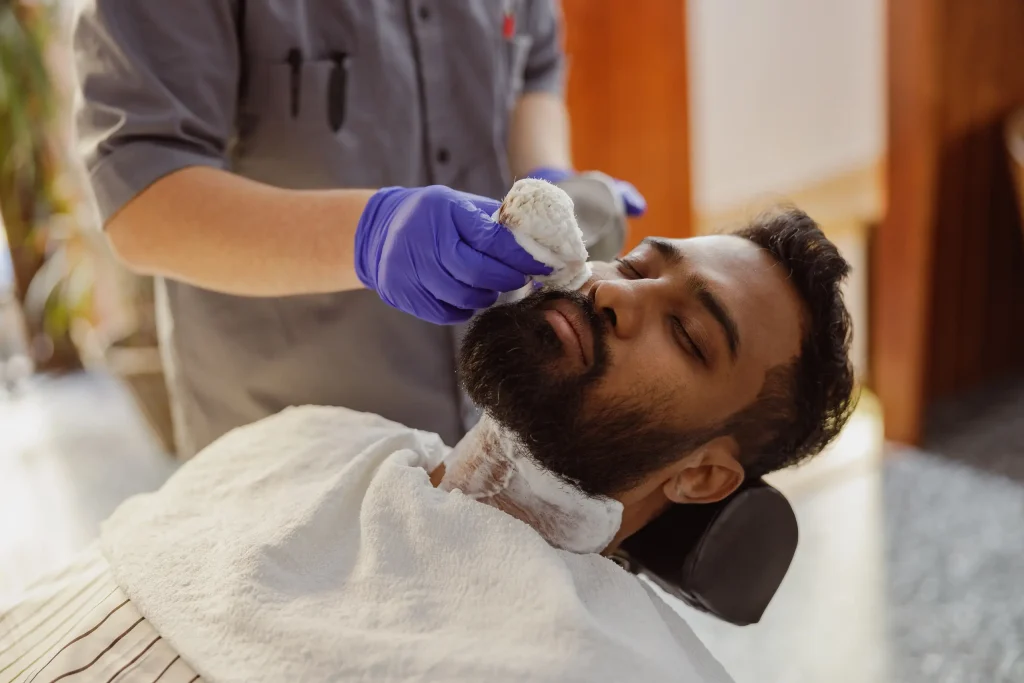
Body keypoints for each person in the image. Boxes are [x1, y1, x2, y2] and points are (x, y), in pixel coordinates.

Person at [0, 210, 856, 682]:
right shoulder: (302, 439)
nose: (612, 297)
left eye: (690, 333)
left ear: (705, 473)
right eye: (634, 266)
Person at [73, 0, 647, 457]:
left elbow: (534, 65)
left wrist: (546, 174)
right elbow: (141, 201)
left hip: (487, 434)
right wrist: (368, 234)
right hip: (292, 452)